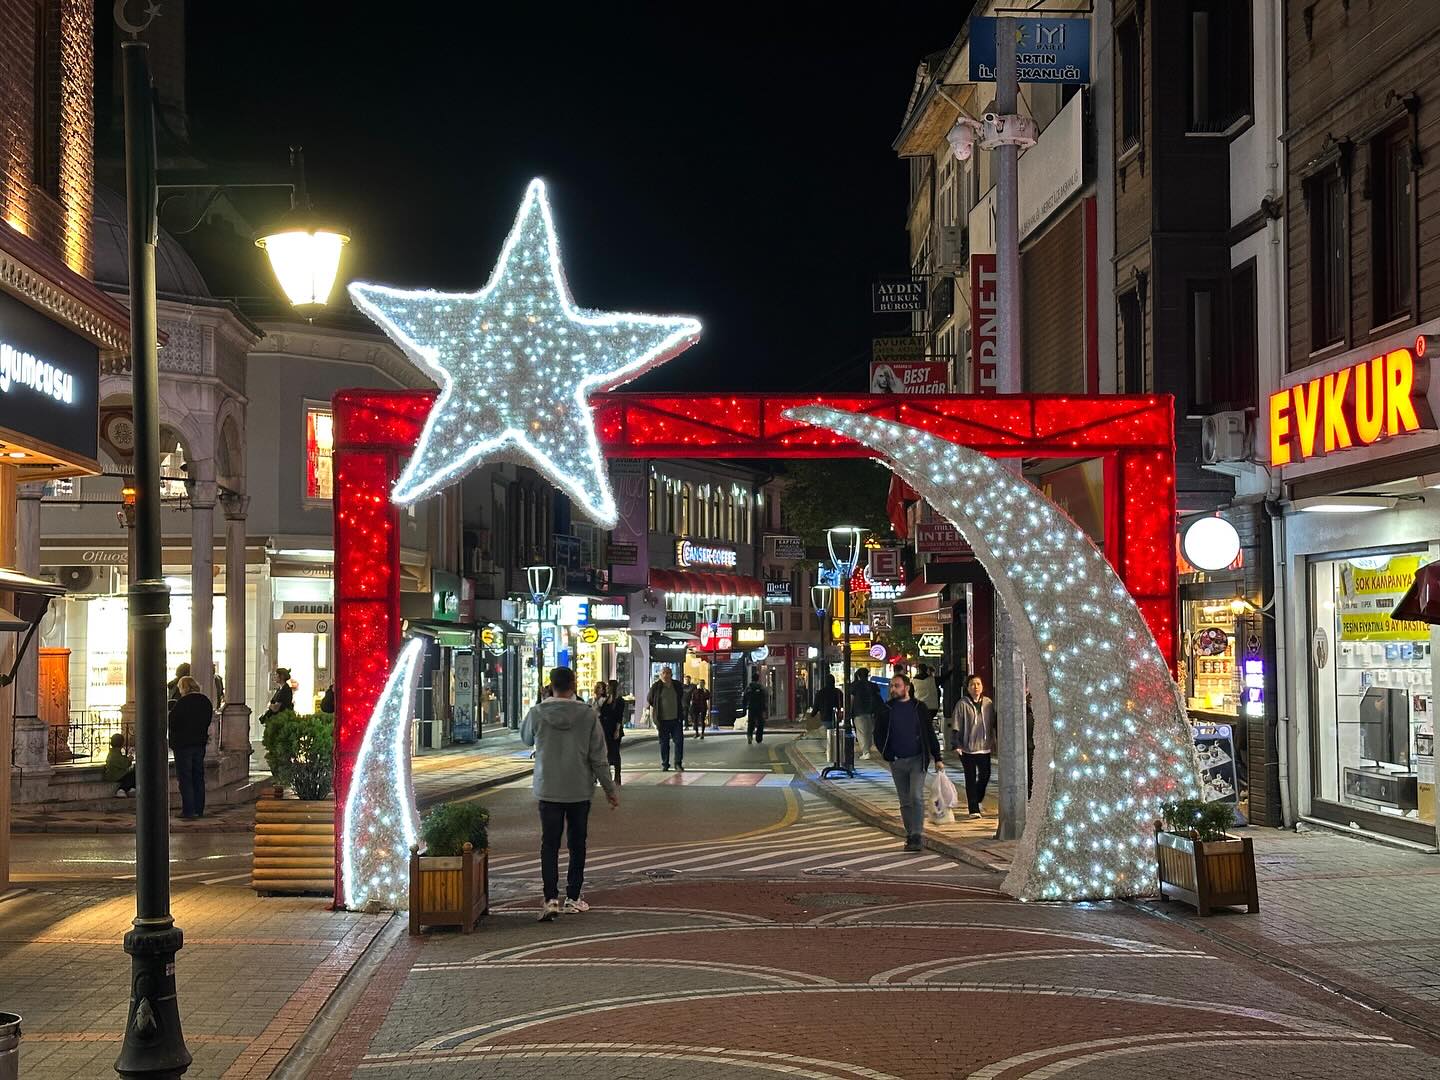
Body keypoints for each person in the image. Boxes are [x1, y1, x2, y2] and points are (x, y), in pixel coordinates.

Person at [521, 666, 618, 921]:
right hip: (579, 789)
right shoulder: (587, 715)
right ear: (573, 685)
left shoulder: (537, 712)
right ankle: (573, 897)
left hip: (548, 788)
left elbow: (525, 739)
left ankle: (550, 899)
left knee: (549, 844)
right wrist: (610, 789)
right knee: (577, 844)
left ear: (550, 685)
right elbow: (599, 757)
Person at [873, 673, 944, 850]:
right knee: (905, 800)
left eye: (896, 685)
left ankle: (917, 834)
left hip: (917, 760)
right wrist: (887, 754)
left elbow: (929, 733)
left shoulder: (919, 707)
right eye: (891, 686)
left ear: (907, 687)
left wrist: (937, 757)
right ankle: (910, 833)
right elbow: (878, 734)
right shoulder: (886, 709)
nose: (893, 689)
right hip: (897, 762)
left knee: (916, 796)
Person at [946, 675, 998, 818]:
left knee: (985, 776)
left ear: (982, 686)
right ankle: (973, 809)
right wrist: (956, 744)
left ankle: (977, 798)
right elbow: (956, 724)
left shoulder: (988, 703)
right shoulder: (962, 704)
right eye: (972, 684)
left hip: (984, 747)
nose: (976, 687)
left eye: (978, 684)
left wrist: (995, 740)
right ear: (967, 687)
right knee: (970, 777)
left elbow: (993, 723)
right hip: (967, 748)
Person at [168, 675, 213, 820]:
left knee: (185, 777)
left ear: (184, 687)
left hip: (183, 744)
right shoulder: (205, 701)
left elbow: (172, 722)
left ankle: (188, 810)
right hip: (199, 743)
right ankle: (199, 809)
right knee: (198, 776)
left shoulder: (183, 702)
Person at [646, 667, 685, 771]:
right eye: (663, 673)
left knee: (679, 741)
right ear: (660, 675)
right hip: (662, 720)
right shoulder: (656, 686)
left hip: (676, 719)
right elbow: (650, 699)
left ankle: (678, 763)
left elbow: (681, 696)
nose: (666, 675)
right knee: (664, 743)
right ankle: (665, 763)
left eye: (668, 673)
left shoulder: (676, 685)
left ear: (671, 675)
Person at [596, 678, 626, 787]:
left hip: (614, 729)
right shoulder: (606, 699)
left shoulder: (619, 701)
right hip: (605, 728)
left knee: (615, 752)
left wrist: (617, 730)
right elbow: (601, 712)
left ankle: (617, 776)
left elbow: (619, 716)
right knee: (606, 753)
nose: (607, 688)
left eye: (608, 687)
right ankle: (607, 775)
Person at [850, 668, 882, 758]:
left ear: (858, 676)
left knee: (861, 732)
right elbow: (879, 698)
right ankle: (868, 749)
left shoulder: (854, 685)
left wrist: (848, 711)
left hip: (858, 711)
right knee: (869, 731)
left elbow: (851, 699)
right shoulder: (873, 686)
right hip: (872, 711)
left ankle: (866, 752)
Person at [743, 673, 768, 744]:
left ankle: (749, 735)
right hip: (759, 708)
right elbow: (764, 698)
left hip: (751, 708)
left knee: (751, 722)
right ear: (758, 679)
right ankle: (758, 738)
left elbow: (745, 698)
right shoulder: (761, 688)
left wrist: (745, 707)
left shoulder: (748, 688)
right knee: (760, 723)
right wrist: (764, 709)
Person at [813, 674, 840, 738]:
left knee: (825, 737)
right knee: (834, 737)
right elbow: (841, 705)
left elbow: (816, 707)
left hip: (824, 718)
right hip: (835, 718)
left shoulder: (820, 693)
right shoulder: (837, 692)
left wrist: (812, 715)